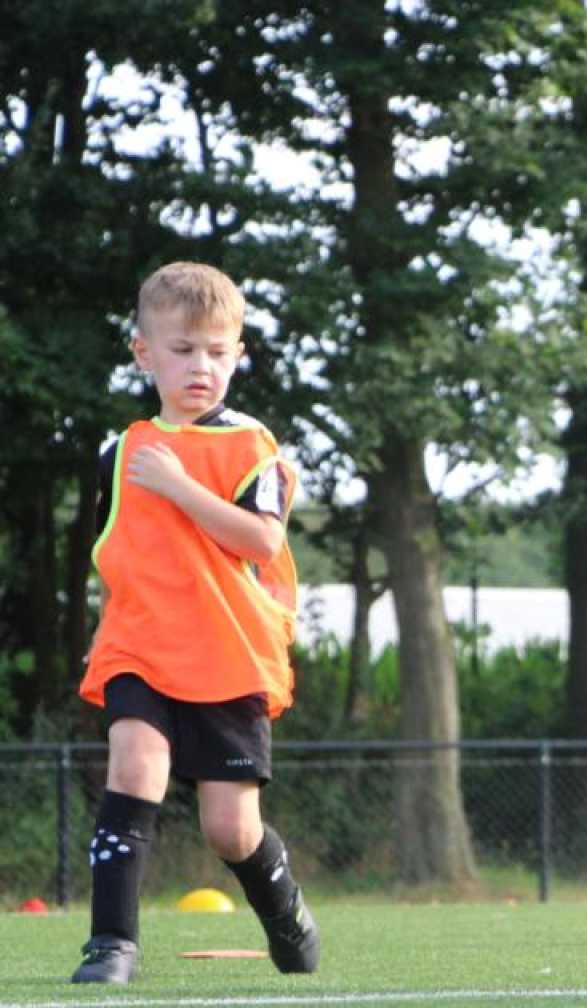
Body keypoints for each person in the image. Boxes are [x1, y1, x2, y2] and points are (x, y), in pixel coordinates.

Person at [73, 262, 318, 984]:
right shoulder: (118, 454)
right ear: (145, 353)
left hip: (230, 654)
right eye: (182, 350)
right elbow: (123, 552)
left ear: (238, 356)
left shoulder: (254, 449)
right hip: (141, 647)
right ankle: (111, 944)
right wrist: (102, 635)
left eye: (217, 352)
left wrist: (179, 485)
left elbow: (262, 542)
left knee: (229, 829)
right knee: (136, 765)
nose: (201, 367)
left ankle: (284, 911)